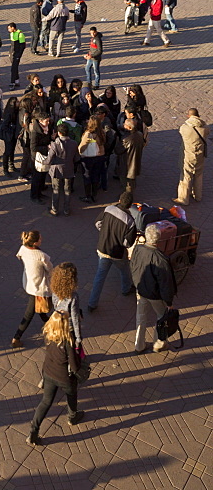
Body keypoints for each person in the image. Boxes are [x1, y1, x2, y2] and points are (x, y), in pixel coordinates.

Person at [25, 311, 84, 446]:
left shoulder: (48, 335)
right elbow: (74, 367)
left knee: (45, 402)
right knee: (71, 394)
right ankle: (72, 417)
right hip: (64, 377)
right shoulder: (69, 341)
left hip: (48, 373)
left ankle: (33, 432)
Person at [130, 224, 177, 353]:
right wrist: (169, 302)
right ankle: (159, 343)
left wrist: (136, 283)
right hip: (155, 295)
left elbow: (133, 266)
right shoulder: (161, 259)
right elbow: (165, 283)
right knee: (161, 317)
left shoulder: (138, 249)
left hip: (141, 290)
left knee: (141, 317)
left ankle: (139, 345)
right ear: (158, 239)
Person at [87, 192, 136, 311]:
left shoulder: (108, 209)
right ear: (130, 206)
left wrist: (104, 233)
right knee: (124, 270)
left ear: (119, 200)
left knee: (100, 276)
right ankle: (126, 289)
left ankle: (92, 304)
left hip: (102, 249)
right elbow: (127, 243)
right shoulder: (130, 221)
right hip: (117, 253)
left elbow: (98, 223)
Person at [11, 230, 52, 349]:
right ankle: (16, 338)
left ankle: (48, 323)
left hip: (29, 283)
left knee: (40, 308)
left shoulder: (23, 249)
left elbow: (19, 256)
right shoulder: (42, 256)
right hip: (39, 288)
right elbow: (50, 270)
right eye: (39, 238)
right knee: (29, 313)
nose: (41, 239)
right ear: (35, 243)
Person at [176, 108, 208, 205]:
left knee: (186, 175)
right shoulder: (205, 128)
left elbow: (181, 133)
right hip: (200, 154)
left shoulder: (185, 128)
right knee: (198, 174)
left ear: (188, 116)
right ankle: (198, 196)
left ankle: (183, 199)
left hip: (188, 155)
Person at [48, 124, 78, 216]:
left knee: (56, 190)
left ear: (59, 133)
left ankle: (55, 209)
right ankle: (66, 210)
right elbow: (76, 158)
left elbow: (48, 160)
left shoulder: (54, 145)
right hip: (68, 169)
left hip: (57, 170)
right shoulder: (74, 143)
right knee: (67, 190)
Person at [118, 113, 144, 196]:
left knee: (126, 182)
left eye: (125, 124)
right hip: (136, 160)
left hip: (127, 163)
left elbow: (118, 150)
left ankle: (127, 196)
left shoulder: (127, 138)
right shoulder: (140, 134)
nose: (123, 125)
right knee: (132, 180)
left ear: (129, 127)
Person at [6, 23, 25, 89]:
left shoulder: (20, 34)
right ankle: (17, 81)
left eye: (9, 28)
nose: (8, 30)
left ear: (13, 28)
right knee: (15, 67)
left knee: (13, 68)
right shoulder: (11, 34)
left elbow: (22, 46)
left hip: (17, 53)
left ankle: (12, 82)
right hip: (12, 53)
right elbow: (12, 45)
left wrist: (19, 55)